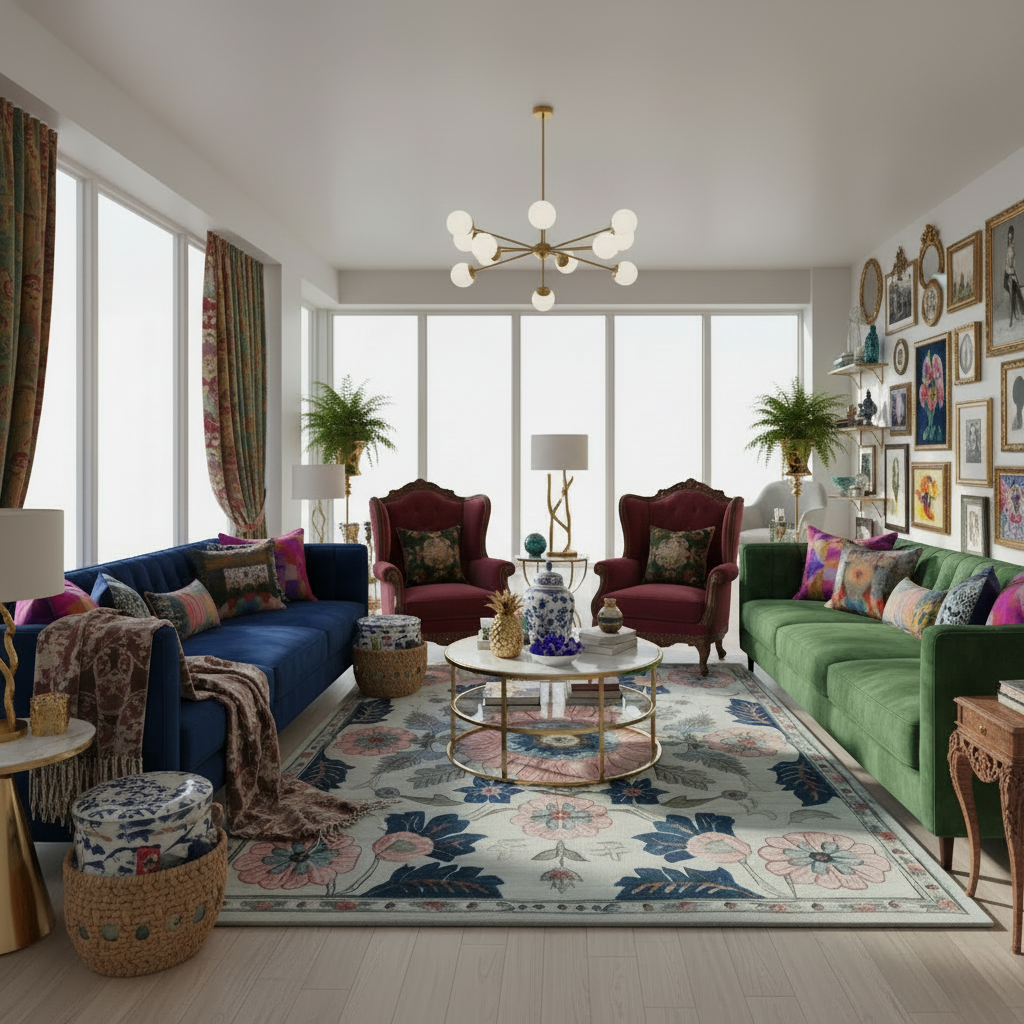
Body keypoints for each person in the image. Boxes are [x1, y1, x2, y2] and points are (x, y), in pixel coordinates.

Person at [1006, 225, 1024, 327]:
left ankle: (1013, 319)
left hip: (1013, 275)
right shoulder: (1009, 249)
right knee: (1012, 299)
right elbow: (1008, 265)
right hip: (1010, 276)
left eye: (1011, 236)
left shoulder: (1013, 247)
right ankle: (1011, 321)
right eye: (1009, 236)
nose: (1010, 237)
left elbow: (1013, 264)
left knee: (1016, 297)